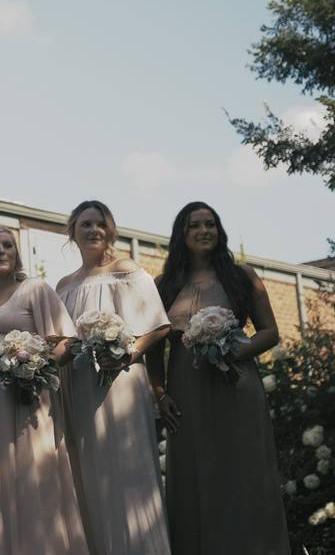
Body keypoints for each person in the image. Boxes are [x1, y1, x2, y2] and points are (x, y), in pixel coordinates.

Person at [149, 201, 290, 555]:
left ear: (219, 230)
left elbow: (270, 332)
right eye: (195, 225)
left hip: (236, 384)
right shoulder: (162, 285)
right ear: (182, 234)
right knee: (194, 476)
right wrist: (159, 392)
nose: (204, 231)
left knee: (243, 470)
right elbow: (153, 348)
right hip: (186, 389)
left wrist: (234, 351)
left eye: (210, 224)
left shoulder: (243, 276)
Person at [55, 200, 171, 554]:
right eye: (85, 224)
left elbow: (159, 325)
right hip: (78, 389)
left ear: (111, 231)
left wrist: (126, 353)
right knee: (89, 478)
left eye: (100, 224)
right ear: (73, 232)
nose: (93, 231)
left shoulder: (128, 270)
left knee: (126, 474)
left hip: (119, 385)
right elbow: (61, 338)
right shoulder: (64, 284)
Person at [0, 226, 88, 555]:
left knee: (31, 476)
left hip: (24, 401)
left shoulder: (34, 289)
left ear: (16, 254)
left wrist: (35, 370)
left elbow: (67, 340)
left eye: (8, 245)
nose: (1, 251)